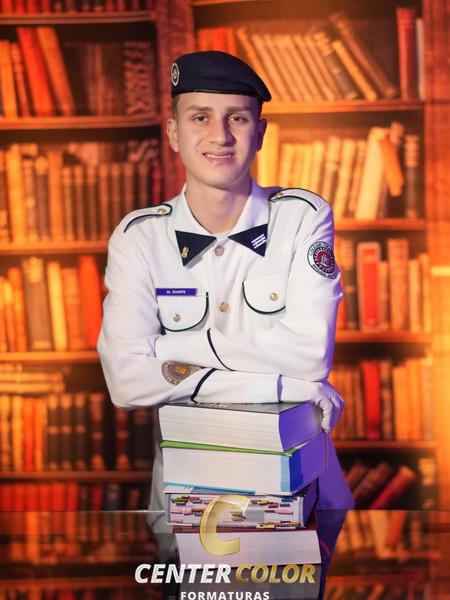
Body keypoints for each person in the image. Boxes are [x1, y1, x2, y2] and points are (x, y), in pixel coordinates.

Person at [97, 50, 354, 560]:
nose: (220, 136)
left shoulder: (301, 218)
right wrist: (283, 386)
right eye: (200, 117)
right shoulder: (139, 237)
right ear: (173, 133)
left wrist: (174, 351)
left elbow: (310, 355)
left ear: (260, 133)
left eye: (237, 118)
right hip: (185, 502)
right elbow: (125, 381)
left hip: (300, 497)